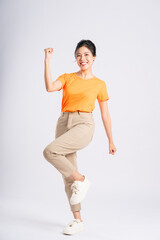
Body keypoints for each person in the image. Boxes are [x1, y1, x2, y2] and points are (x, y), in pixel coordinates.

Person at [43, 39, 117, 235]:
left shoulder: (99, 84)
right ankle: (78, 221)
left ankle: (82, 180)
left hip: (83, 123)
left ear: (93, 57)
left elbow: (105, 114)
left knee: (50, 151)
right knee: (67, 176)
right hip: (63, 122)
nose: (82, 58)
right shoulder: (68, 77)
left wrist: (110, 140)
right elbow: (50, 87)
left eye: (86, 55)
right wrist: (47, 61)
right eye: (78, 55)